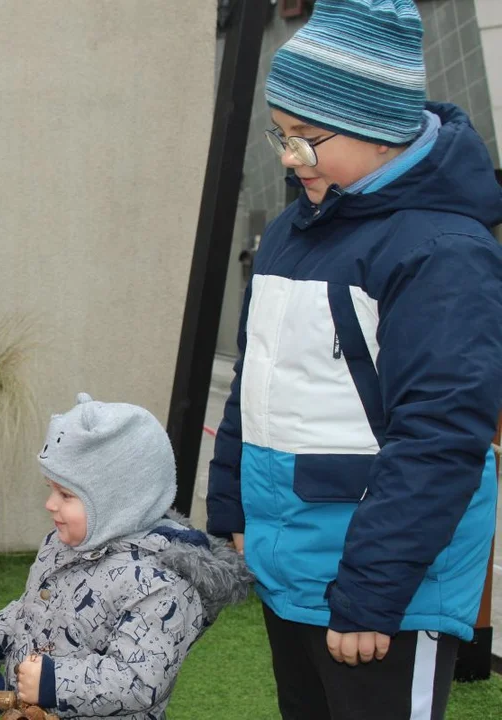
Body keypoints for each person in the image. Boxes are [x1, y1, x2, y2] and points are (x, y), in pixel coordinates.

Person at [206, 2, 502, 718]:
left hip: (388, 592)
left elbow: (438, 439)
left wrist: (372, 592)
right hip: (296, 567)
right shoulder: (291, 233)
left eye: (307, 139)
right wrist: (233, 499)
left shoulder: (442, 253)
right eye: (281, 135)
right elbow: (258, 378)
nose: (288, 156)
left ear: (379, 129)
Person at [0, 393, 250, 719]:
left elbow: (141, 680)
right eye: (50, 488)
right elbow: (35, 609)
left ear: (118, 503)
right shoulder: (65, 541)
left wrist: (55, 682)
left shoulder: (162, 584)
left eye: (66, 494)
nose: (50, 504)